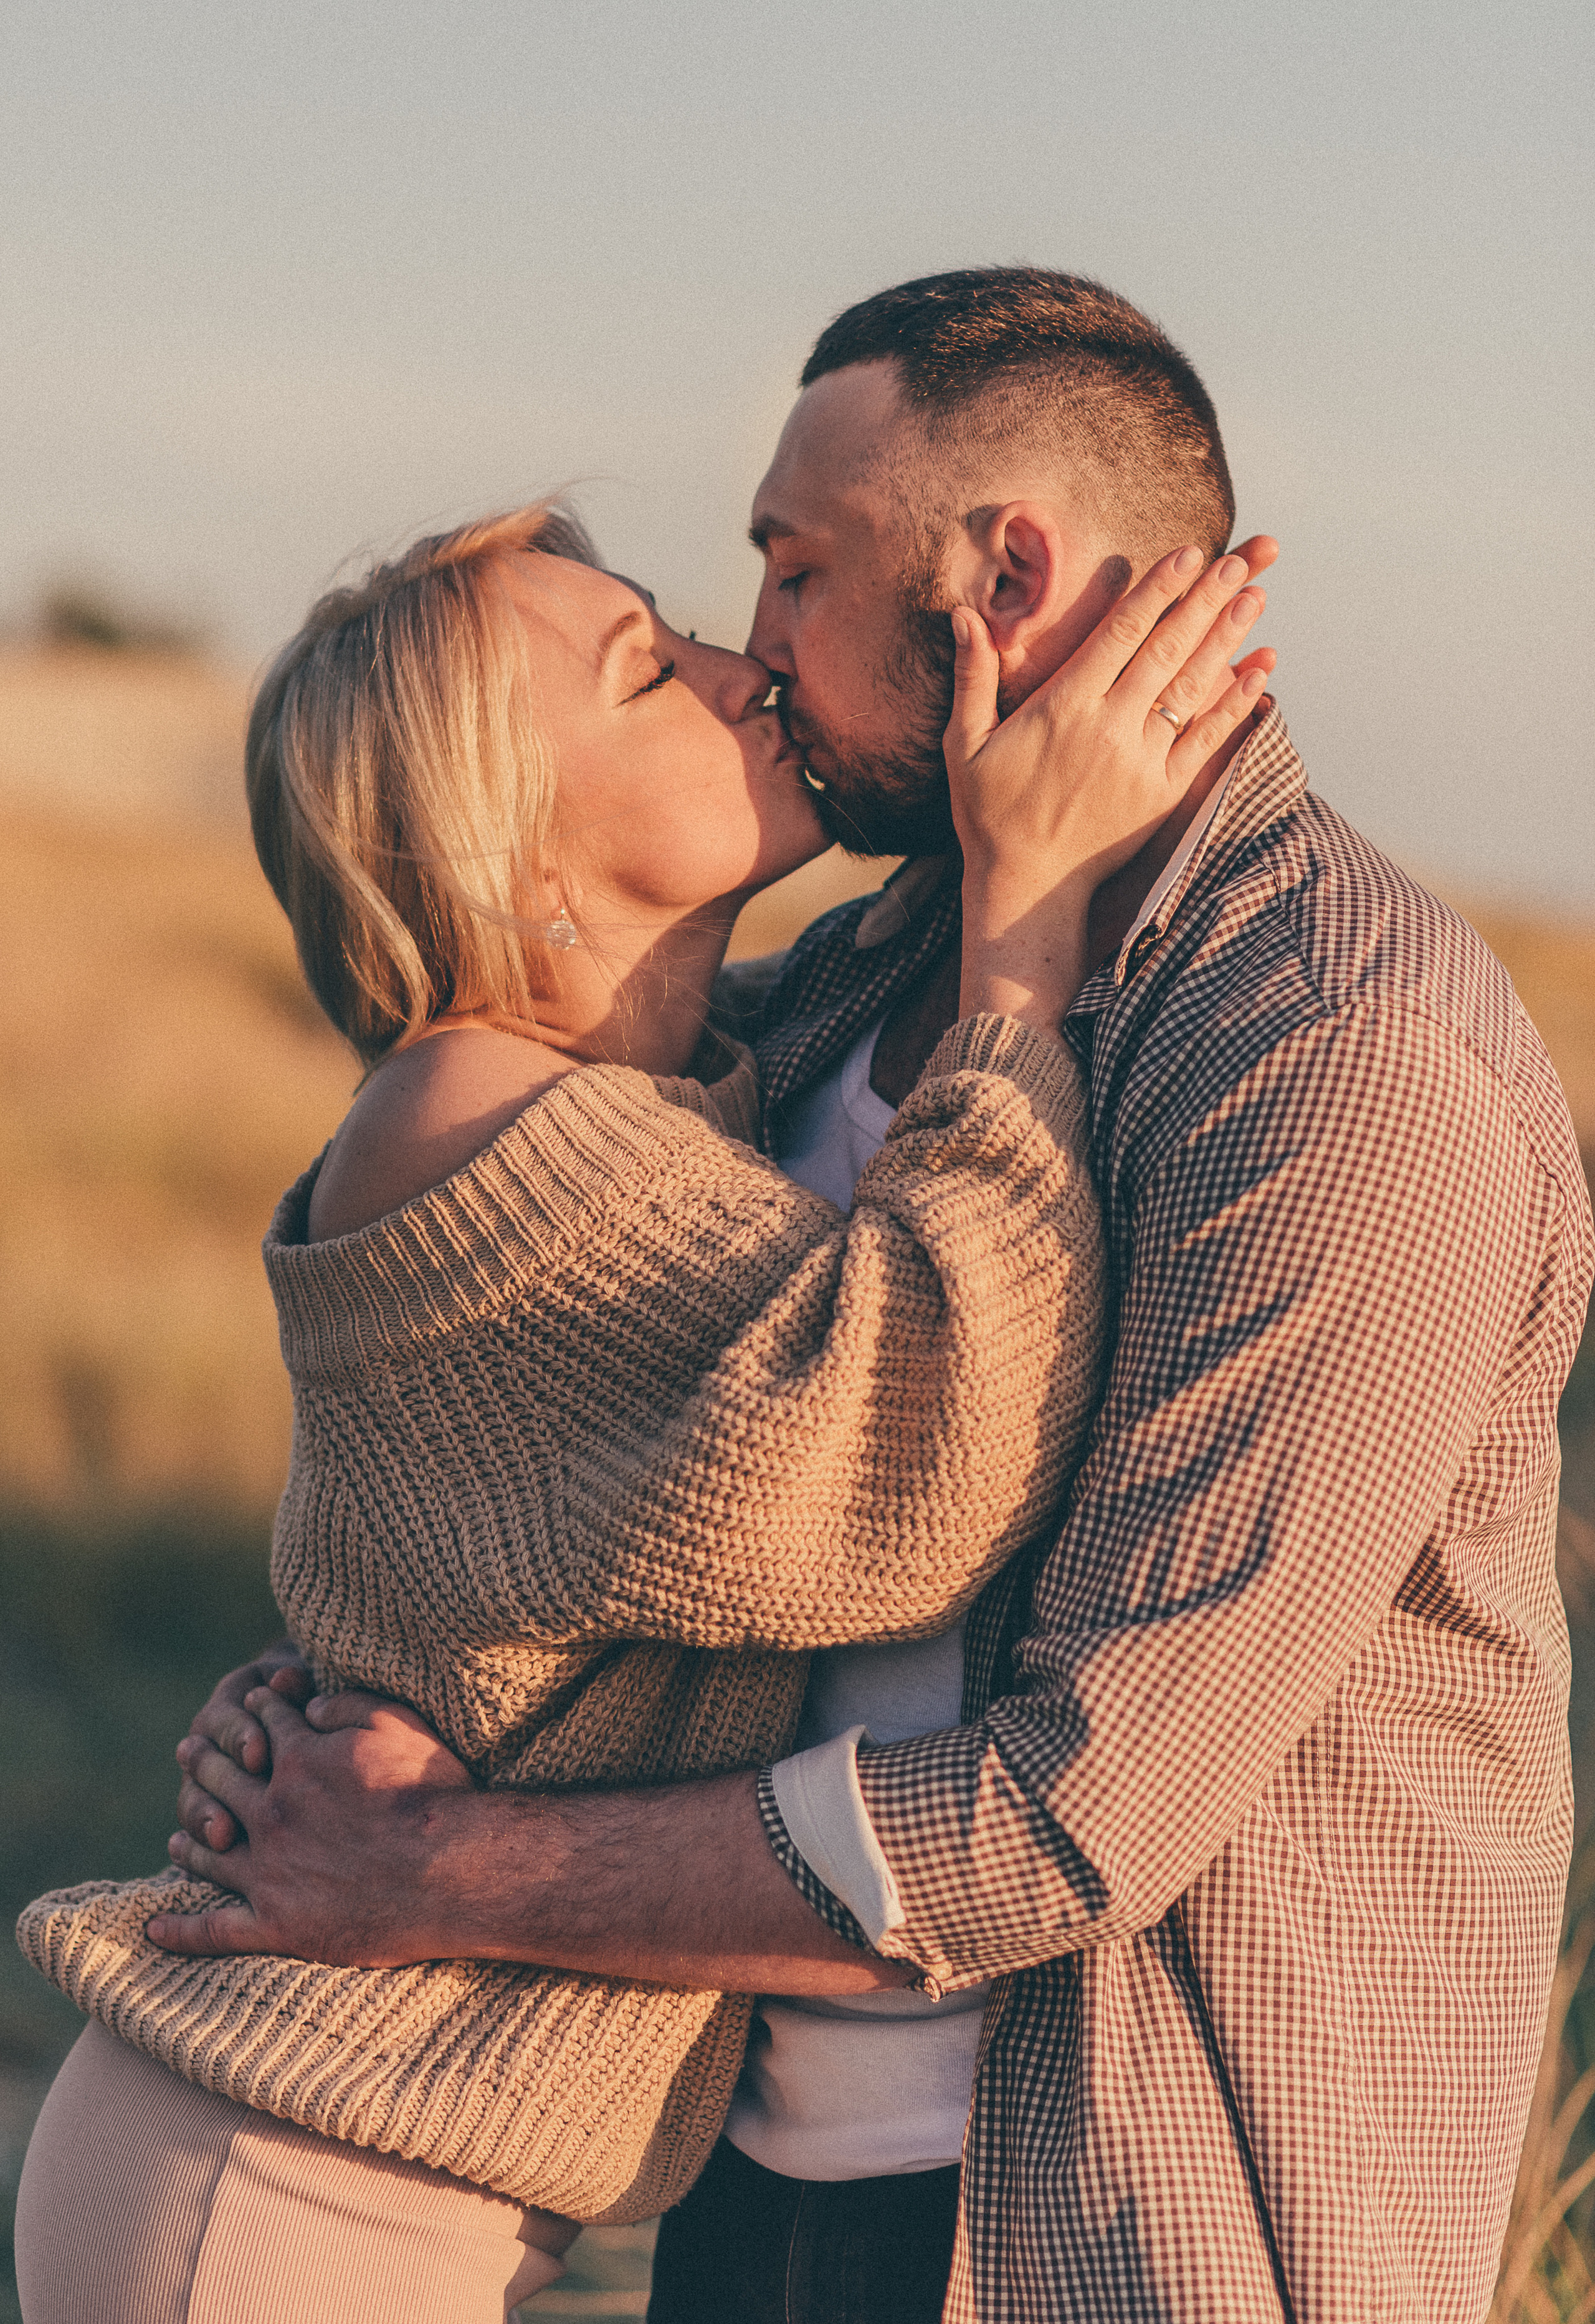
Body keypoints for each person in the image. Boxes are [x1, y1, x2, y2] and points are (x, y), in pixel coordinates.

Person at [128, 267, 1593, 2323]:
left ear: (1005, 573)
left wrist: (424, 1863)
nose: (755, 650)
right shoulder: (849, 973)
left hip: (1130, 2232)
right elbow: (508, 1270)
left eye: (794, 570)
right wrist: (359, 1684)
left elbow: (1067, 1816)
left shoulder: (1339, 1048)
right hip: (750, 2205)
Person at [14, 472, 1270, 2322]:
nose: (729, 658)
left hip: (365, 2167)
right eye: (639, 673)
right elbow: (913, 1464)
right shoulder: (475, 1116)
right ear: (511, 850)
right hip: (287, 2186)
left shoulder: (658, 1106)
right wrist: (1020, 942)